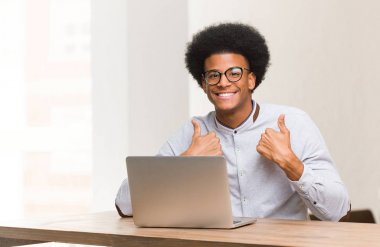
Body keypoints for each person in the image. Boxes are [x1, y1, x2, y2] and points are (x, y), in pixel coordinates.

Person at [115, 23, 350, 221]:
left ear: (251, 80)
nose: (223, 82)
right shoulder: (193, 132)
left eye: (234, 73)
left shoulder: (292, 124)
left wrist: (290, 163)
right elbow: (124, 205)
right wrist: (185, 162)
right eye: (213, 75)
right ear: (204, 84)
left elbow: (338, 211)